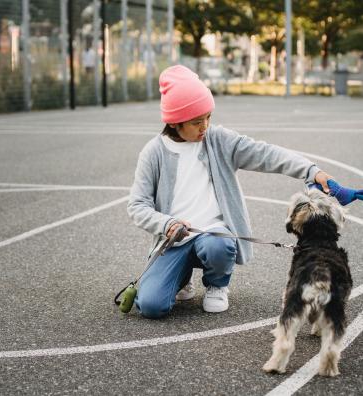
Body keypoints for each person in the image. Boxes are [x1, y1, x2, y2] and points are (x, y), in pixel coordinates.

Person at [127, 65, 332, 319]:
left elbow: (266, 154)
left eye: (208, 117)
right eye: (196, 122)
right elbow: (137, 205)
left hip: (213, 234)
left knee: (219, 244)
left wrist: (312, 171)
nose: (205, 126)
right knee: (151, 306)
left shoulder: (218, 139)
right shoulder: (153, 152)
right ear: (174, 121)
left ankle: (217, 284)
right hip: (175, 239)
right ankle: (182, 277)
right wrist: (166, 222)